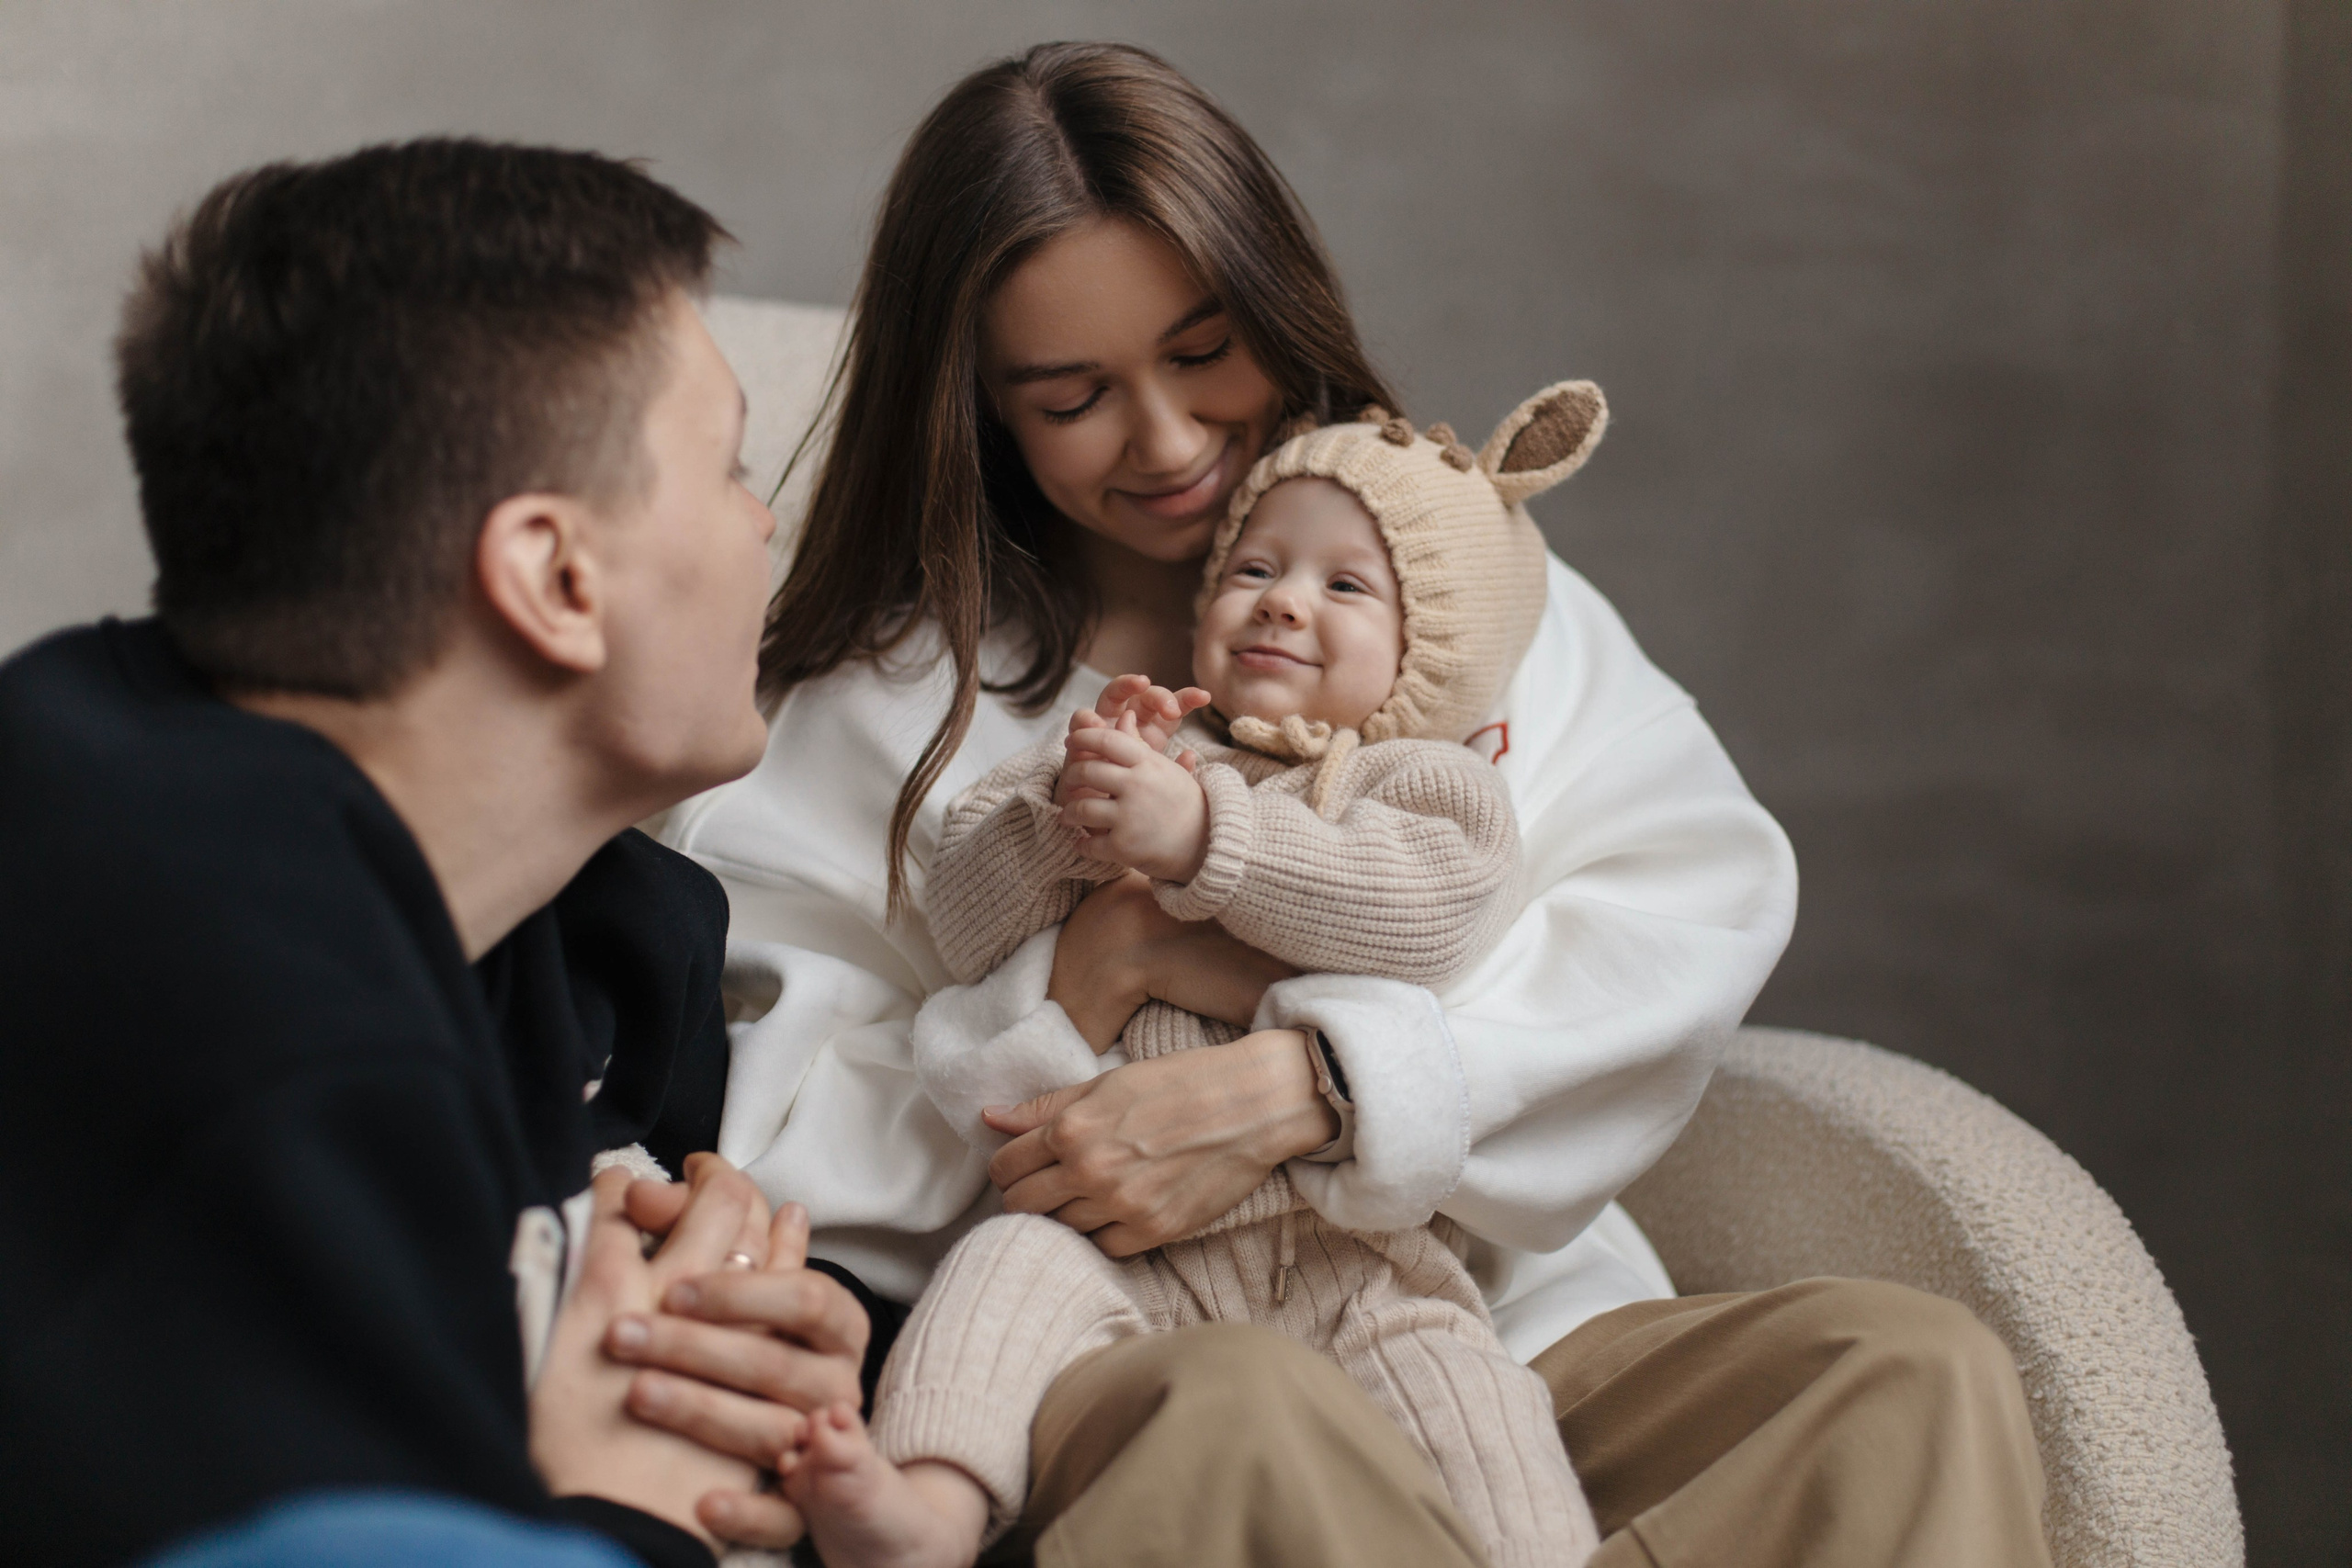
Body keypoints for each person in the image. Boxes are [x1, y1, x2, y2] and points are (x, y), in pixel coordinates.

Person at [669, 41, 2053, 1568]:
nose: (1174, 440)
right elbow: (769, 1111)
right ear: (980, 406)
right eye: (1075, 396)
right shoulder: (875, 696)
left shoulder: (1460, 596)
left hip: (1468, 1337)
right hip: (1112, 1365)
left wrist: (1324, 1084)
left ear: (1278, 305)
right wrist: (1082, 997)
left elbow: (1685, 910)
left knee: (1910, 1377)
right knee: (1246, 1402)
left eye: (1206, 352)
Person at [0, 140, 871, 1568]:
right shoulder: (219, 991)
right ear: (556, 576)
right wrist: (629, 1516)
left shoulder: (594, 929)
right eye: (726, 466)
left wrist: (785, 1353)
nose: (765, 518)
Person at [783, 390, 1613, 1568]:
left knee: (1475, 1404)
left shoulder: (1430, 788)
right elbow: (961, 924)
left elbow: (1418, 920)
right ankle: (925, 1510)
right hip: (1115, 1244)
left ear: (1430, 650)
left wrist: (1201, 836)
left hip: (1348, 1264)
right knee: (996, 1277)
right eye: (1254, 568)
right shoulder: (1148, 750)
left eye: (1343, 586)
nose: (1280, 598)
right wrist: (1066, 819)